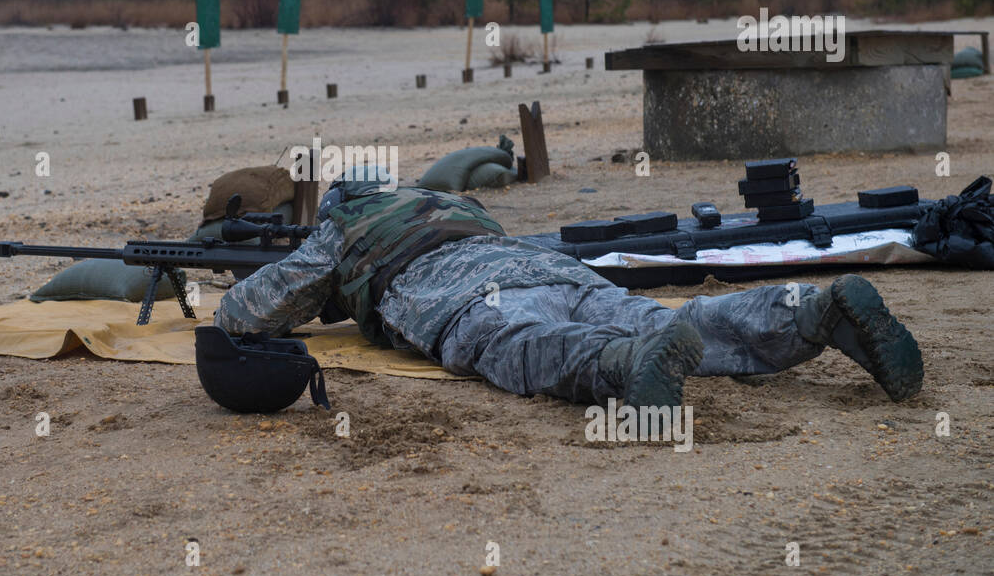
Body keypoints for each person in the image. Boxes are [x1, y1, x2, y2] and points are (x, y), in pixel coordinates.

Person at [214, 176, 924, 411]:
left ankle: (623, 368)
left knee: (522, 347)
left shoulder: (341, 223)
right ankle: (815, 309)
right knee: (673, 318)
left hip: (463, 298)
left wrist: (311, 278)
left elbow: (251, 314)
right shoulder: (446, 198)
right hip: (551, 269)